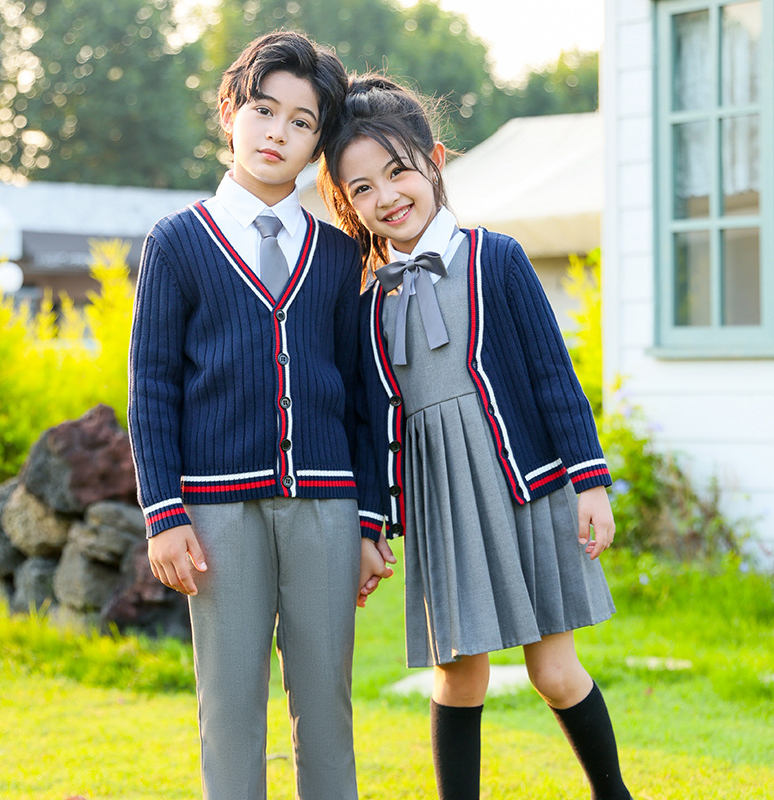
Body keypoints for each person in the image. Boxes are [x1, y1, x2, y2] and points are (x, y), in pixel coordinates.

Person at [318, 74, 634, 800]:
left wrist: (591, 483)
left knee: (554, 671)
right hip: (441, 507)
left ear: (433, 160)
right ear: (346, 202)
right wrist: (372, 528)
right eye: (361, 188)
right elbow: (367, 426)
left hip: (524, 487)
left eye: (397, 172)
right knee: (459, 675)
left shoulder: (498, 258)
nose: (386, 197)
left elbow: (554, 377)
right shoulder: (365, 303)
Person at [128, 34, 390, 800]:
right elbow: (151, 389)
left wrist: (372, 522)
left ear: (319, 141)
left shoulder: (342, 257)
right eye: (263, 110)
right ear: (231, 113)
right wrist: (163, 514)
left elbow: (366, 398)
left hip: (328, 508)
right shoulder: (178, 243)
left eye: (303, 122)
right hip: (214, 515)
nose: (278, 132)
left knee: (326, 706)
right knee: (230, 706)